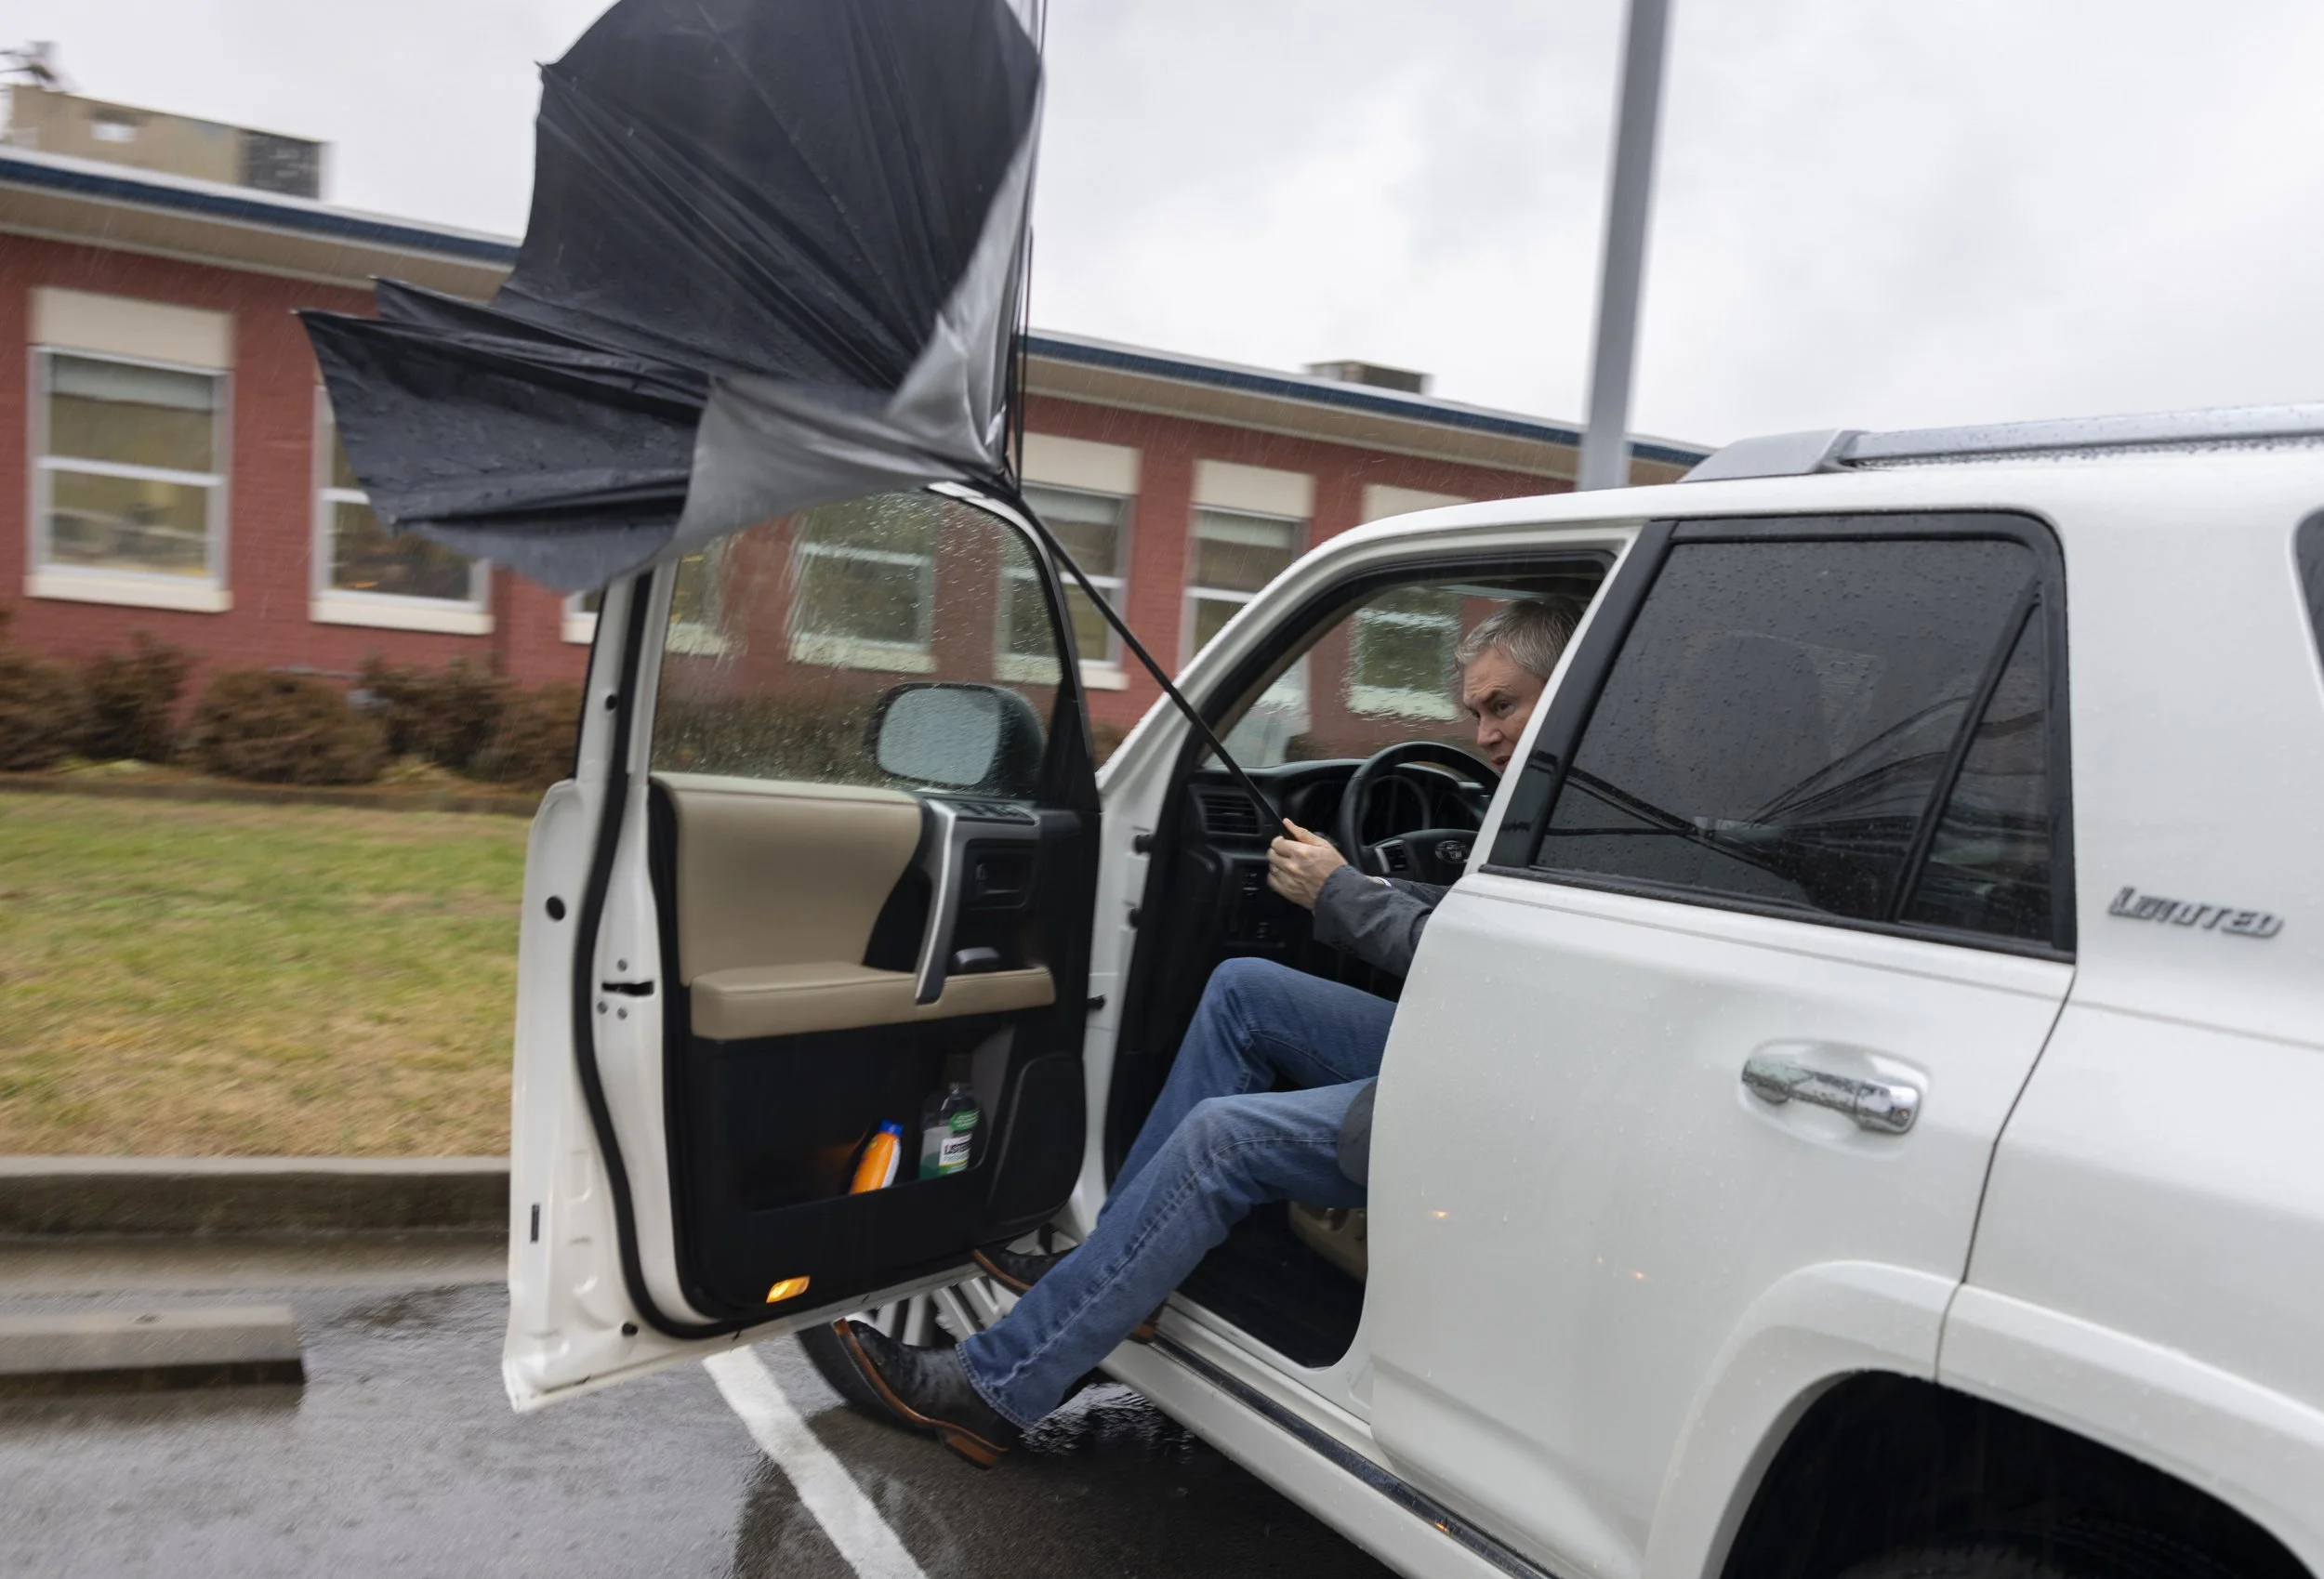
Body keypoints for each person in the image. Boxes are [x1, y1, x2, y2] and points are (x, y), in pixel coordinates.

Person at [825, 596, 1582, 1467]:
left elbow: (1496, 966)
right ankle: (1116, 1275)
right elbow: (1476, 924)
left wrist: (1343, 895)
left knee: (1221, 1139)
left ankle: (992, 1391)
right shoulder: (1545, 797)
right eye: (1475, 710)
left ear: (1564, 690)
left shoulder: (1588, 815)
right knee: (1243, 990)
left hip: (1510, 1089)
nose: (1483, 733)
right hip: (1485, 1043)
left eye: (1504, 705)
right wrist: (1369, 887)